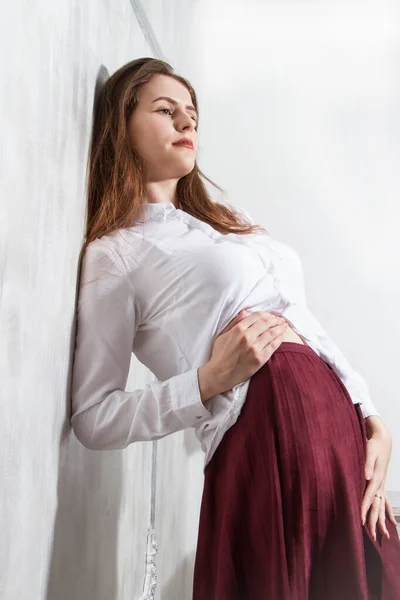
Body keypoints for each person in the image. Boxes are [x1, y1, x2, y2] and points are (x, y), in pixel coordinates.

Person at [70, 57, 400, 599]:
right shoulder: (117, 255)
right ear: (121, 126)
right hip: (267, 438)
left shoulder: (227, 225)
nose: (186, 124)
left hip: (337, 432)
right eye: (165, 110)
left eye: (192, 115)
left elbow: (302, 317)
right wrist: (205, 381)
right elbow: (92, 417)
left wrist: (370, 412)